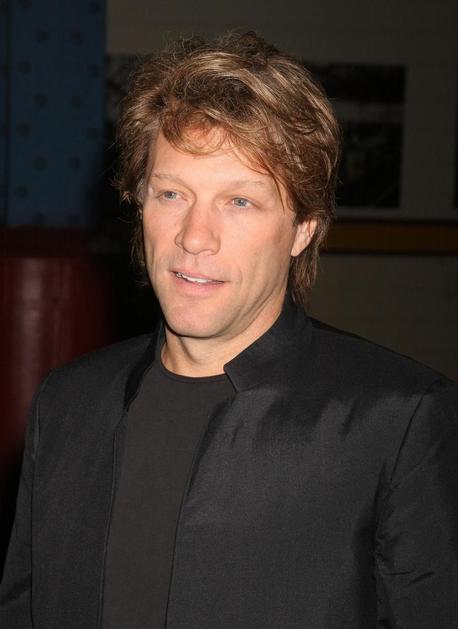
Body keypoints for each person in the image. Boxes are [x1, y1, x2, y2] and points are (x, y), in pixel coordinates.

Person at [0, 31, 457, 629]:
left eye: (239, 201)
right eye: (172, 193)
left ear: (303, 228)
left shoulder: (399, 420)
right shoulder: (68, 403)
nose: (195, 237)